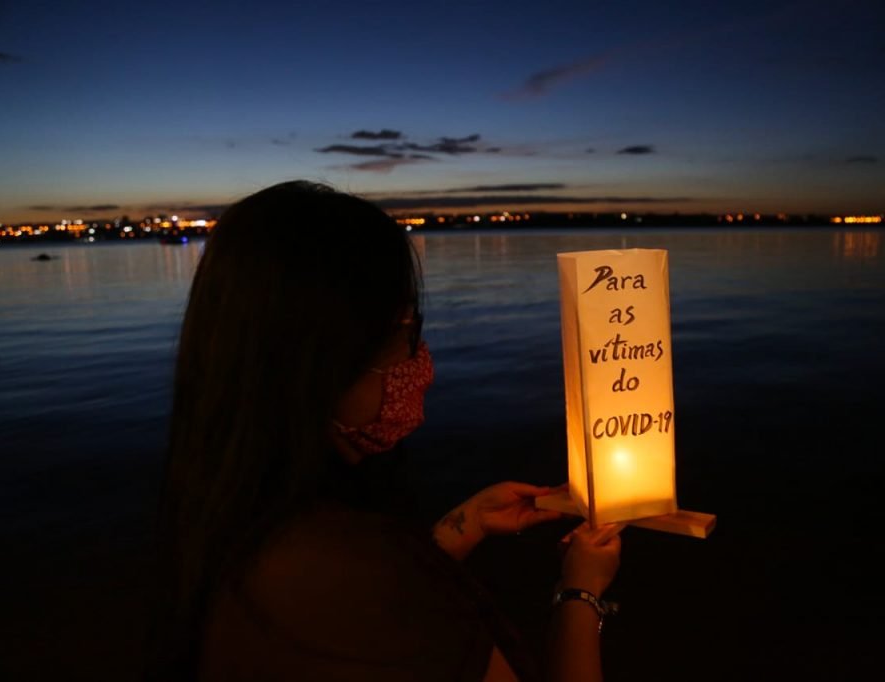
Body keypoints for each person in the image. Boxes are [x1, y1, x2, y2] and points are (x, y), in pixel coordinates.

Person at [146, 180, 623, 681]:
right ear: (322, 356)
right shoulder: (333, 575)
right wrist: (582, 593)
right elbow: (368, 597)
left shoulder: (238, 517)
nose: (421, 362)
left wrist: (467, 524)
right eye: (404, 330)